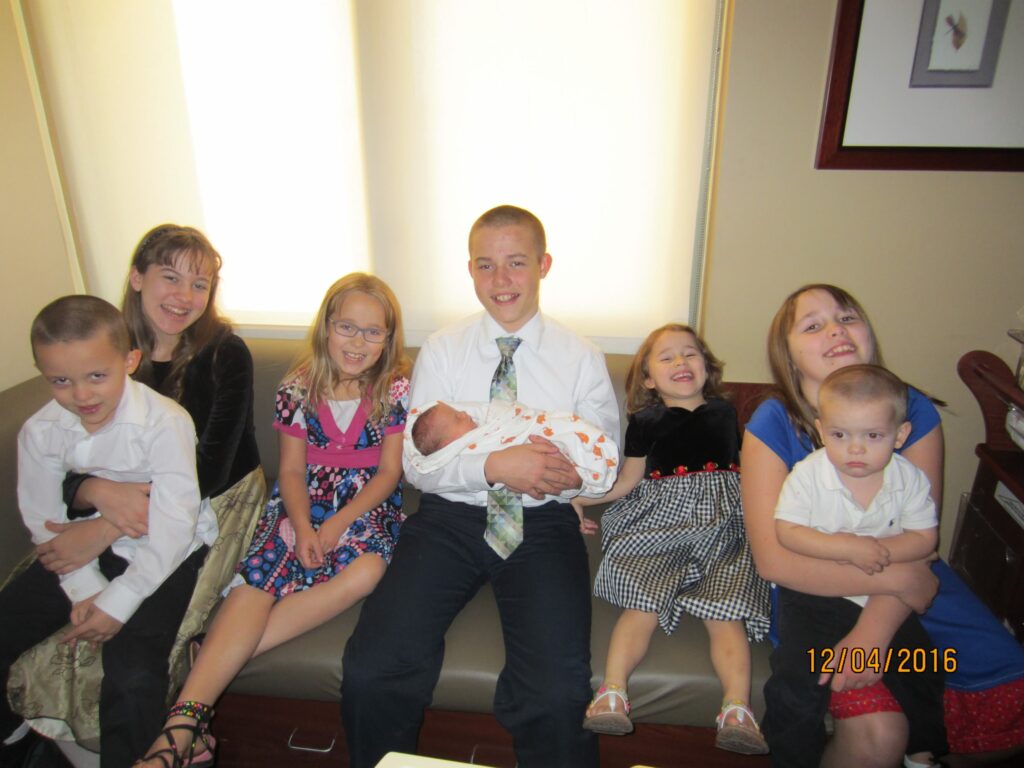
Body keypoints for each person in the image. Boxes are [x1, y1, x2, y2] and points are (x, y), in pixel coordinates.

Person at [341, 205, 620, 768]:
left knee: (555, 690)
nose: (501, 280)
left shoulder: (581, 358)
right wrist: (495, 465)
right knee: (374, 666)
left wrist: (570, 480)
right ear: (469, 270)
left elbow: (603, 461)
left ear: (543, 265)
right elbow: (418, 464)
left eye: (516, 263)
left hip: (541, 523)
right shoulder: (443, 349)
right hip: (448, 519)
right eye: (486, 265)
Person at [741, 284, 1024, 768]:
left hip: (908, 582)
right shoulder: (773, 421)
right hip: (817, 586)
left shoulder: (911, 410)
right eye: (814, 325)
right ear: (787, 355)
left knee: (1011, 692)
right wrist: (896, 583)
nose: (836, 329)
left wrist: (874, 630)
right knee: (879, 734)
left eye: (848, 318)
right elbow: (774, 558)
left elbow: (919, 542)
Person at [8, 225, 266, 755]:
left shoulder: (223, 354)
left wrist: (104, 527)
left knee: (135, 663)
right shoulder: (90, 349)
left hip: (200, 506)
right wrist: (96, 495)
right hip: (102, 510)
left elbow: (207, 472)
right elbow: (54, 475)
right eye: (170, 277)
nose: (184, 297)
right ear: (136, 277)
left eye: (200, 285)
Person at [137, 272, 410, 767]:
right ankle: (181, 728)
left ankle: (210, 662)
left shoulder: (396, 388)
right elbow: (288, 469)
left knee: (367, 571)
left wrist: (337, 524)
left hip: (365, 506)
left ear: (389, 338)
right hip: (299, 500)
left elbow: (389, 473)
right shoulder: (297, 387)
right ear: (326, 326)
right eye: (347, 327)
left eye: (374, 332)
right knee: (258, 579)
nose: (358, 341)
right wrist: (305, 526)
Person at [0, 295, 214, 768]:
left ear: (130, 361)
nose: (81, 395)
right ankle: (15, 740)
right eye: (61, 381)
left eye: (97, 376)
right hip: (80, 548)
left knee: (133, 677)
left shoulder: (166, 422)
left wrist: (118, 601)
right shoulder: (40, 432)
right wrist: (86, 591)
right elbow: (42, 518)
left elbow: (174, 529)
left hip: (162, 551)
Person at [572, 323, 770, 755]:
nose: (681, 362)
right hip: (660, 522)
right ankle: (612, 692)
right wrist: (581, 499)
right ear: (647, 378)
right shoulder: (644, 422)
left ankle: (737, 709)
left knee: (726, 610)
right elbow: (627, 480)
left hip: (722, 523)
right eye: (666, 357)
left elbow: (752, 475)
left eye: (690, 354)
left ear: (707, 367)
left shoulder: (724, 413)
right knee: (641, 602)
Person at [772, 364, 947, 765]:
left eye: (872, 436)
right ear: (820, 430)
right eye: (839, 435)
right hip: (815, 594)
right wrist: (847, 548)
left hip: (881, 594)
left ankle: (922, 754)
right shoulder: (808, 475)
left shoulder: (909, 480)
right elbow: (788, 532)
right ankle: (790, 758)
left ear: (899, 435)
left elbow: (925, 539)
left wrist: (877, 555)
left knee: (924, 665)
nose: (854, 449)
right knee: (797, 677)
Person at [406, 399, 618, 499]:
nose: (464, 413)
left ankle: (592, 462)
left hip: (546, 514)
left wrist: (575, 481)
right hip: (450, 513)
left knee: (568, 441)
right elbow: (417, 469)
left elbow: (511, 417)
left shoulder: (584, 354)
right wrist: (491, 466)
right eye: (456, 417)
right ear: (447, 445)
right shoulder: (438, 349)